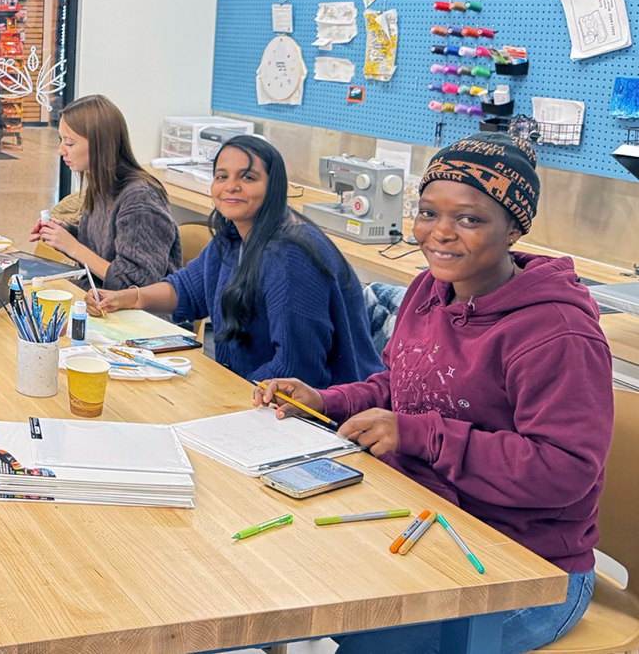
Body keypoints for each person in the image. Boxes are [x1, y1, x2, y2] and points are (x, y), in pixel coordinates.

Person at [256, 133, 611, 654]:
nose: (440, 234)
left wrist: (419, 434)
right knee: (282, 579)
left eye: (469, 219)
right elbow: (408, 385)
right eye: (427, 212)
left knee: (368, 646)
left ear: (513, 226)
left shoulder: (557, 334)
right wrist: (326, 400)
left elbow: (565, 471)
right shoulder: (430, 289)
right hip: (422, 516)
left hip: (525, 568)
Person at [84, 134, 380, 387]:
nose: (231, 186)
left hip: (321, 417)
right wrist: (129, 298)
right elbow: (187, 288)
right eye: (222, 176)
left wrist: (227, 396)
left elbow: (295, 370)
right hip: (257, 392)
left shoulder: (292, 256)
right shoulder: (235, 234)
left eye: (248, 177)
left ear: (274, 186)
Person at [30, 95, 181, 290]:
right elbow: (103, 250)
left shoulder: (140, 199)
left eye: (69, 143)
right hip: (101, 301)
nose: (60, 151)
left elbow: (136, 285)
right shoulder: (100, 186)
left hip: (135, 314)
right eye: (61, 141)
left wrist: (73, 247)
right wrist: (65, 234)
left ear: (99, 145)